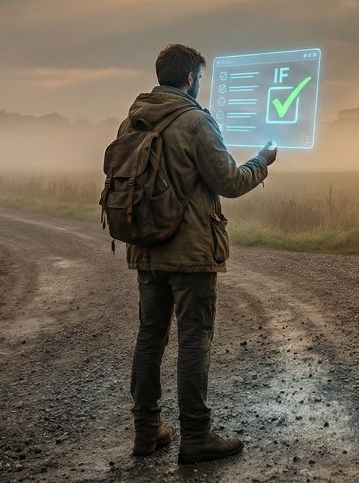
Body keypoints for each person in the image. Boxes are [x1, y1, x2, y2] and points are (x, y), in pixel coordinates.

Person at [119, 43, 277, 462]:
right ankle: (195, 436)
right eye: (200, 78)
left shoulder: (132, 119)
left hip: (147, 248)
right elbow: (230, 181)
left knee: (149, 338)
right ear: (191, 78)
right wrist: (262, 161)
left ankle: (146, 432)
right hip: (190, 252)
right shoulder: (195, 122)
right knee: (194, 340)